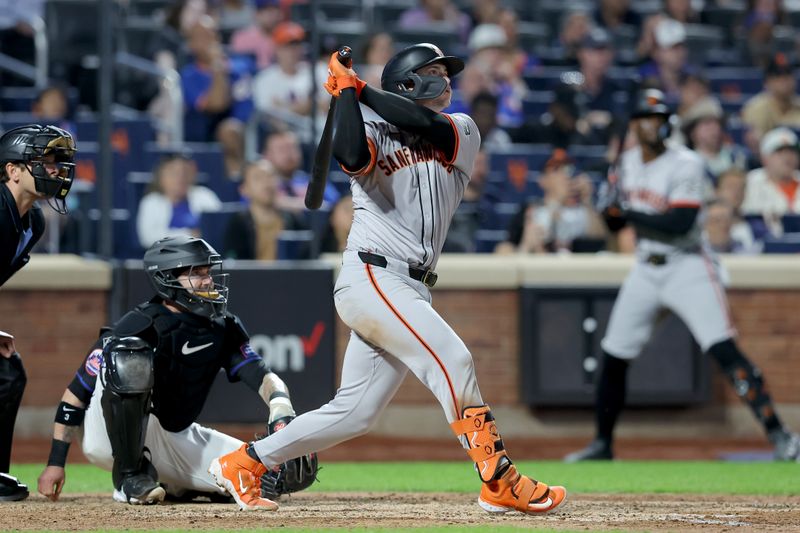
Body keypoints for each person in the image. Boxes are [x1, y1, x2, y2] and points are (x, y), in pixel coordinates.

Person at [208, 43, 567, 514]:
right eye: (434, 72)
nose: (446, 79)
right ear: (409, 81)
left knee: (355, 412)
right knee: (454, 360)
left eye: (445, 71)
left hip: (409, 284)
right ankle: (498, 479)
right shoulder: (370, 125)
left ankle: (245, 462)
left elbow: (424, 124)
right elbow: (353, 154)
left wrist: (361, 89)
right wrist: (344, 96)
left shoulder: (462, 128)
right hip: (372, 274)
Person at [564, 89, 800, 463]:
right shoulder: (626, 162)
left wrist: (626, 213)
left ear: (667, 123)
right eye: (644, 118)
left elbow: (680, 221)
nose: (650, 125)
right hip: (646, 265)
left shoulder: (685, 162)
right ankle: (602, 443)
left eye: (657, 118)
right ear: (634, 123)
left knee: (724, 349)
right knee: (613, 355)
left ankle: (780, 435)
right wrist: (609, 209)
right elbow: (614, 220)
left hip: (688, 264)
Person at [37, 236, 317, 505]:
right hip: (108, 436)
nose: (208, 279)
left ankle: (175, 485)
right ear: (168, 280)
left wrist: (281, 406)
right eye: (197, 273)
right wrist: (55, 463)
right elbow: (75, 396)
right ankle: (129, 478)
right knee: (127, 355)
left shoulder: (222, 326)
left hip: (172, 434)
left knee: (269, 477)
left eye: (208, 271)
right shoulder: (136, 326)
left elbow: (260, 373)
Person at [0, 124, 76, 501]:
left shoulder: (34, 222)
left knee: (7, 372)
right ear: (13, 170)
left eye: (57, 163)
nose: (55, 170)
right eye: (44, 162)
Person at [223, 160, 308, 260]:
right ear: (244, 189)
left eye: (271, 176)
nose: (266, 183)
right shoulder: (238, 224)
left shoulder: (293, 220)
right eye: (258, 178)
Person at [136, 154, 222, 249]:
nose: (180, 178)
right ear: (161, 177)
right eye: (174, 173)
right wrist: (189, 235)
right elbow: (147, 238)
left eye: (184, 173)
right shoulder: (151, 202)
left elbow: (221, 226)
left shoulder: (205, 195)